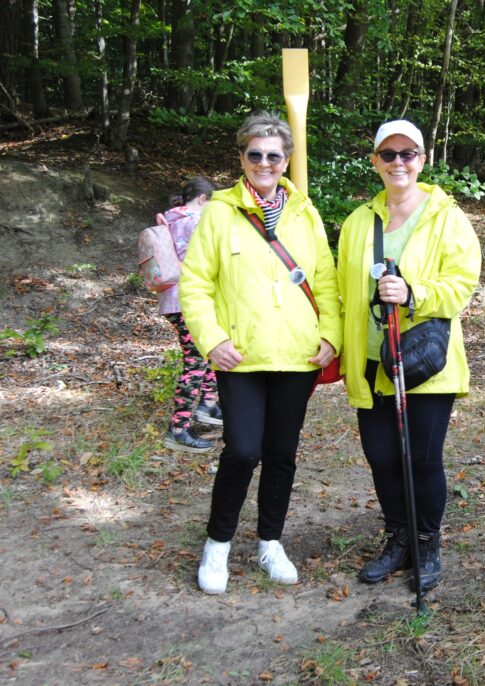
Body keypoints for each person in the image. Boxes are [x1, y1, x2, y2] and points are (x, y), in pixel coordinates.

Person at [180, 112, 341, 595]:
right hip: (241, 357)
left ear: (287, 159)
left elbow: (327, 280)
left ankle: (271, 541)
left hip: (297, 356)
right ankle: (218, 545)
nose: (265, 163)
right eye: (256, 155)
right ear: (242, 158)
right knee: (243, 450)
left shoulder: (304, 212)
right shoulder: (220, 212)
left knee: (281, 454)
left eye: (274, 155)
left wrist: (331, 334)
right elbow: (195, 284)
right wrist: (212, 339)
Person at [337, 120, 481, 592]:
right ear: (375, 160)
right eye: (388, 154)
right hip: (372, 361)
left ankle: (426, 543)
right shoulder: (359, 222)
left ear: (423, 159)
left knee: (421, 459)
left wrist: (413, 291)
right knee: (381, 457)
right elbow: (340, 292)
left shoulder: (447, 217)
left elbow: (462, 284)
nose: (398, 162)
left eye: (408, 153)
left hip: (423, 362)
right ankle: (397, 539)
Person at [156, 176, 221, 453]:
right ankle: (179, 429)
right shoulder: (195, 221)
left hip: (172, 300)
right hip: (188, 301)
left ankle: (208, 404)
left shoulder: (170, 218)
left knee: (204, 352)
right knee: (195, 361)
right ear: (204, 200)